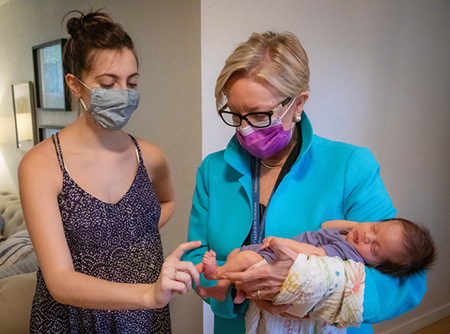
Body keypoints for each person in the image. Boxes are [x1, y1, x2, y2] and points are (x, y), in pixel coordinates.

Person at [182, 31, 428, 334]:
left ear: (298, 104)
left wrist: (309, 284)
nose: (244, 129)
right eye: (236, 114)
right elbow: (195, 255)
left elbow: (406, 281)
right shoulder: (213, 170)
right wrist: (230, 289)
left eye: (259, 115)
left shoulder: (351, 166)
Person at [18, 10, 200, 333]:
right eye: (108, 83)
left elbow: (168, 202)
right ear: (74, 85)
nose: (124, 94)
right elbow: (59, 281)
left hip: (143, 319)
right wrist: (148, 293)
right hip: (75, 319)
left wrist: (126, 238)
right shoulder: (40, 165)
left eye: (131, 83)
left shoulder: (150, 157)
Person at [196, 218, 436, 302]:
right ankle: (226, 290)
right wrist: (357, 227)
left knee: (245, 257)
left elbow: (314, 254)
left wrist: (282, 243)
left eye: (374, 247)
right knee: (239, 256)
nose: (367, 236)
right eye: (375, 227)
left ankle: (216, 274)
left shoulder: (349, 255)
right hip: (268, 256)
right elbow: (326, 226)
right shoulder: (350, 237)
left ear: (376, 265)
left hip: (276, 259)